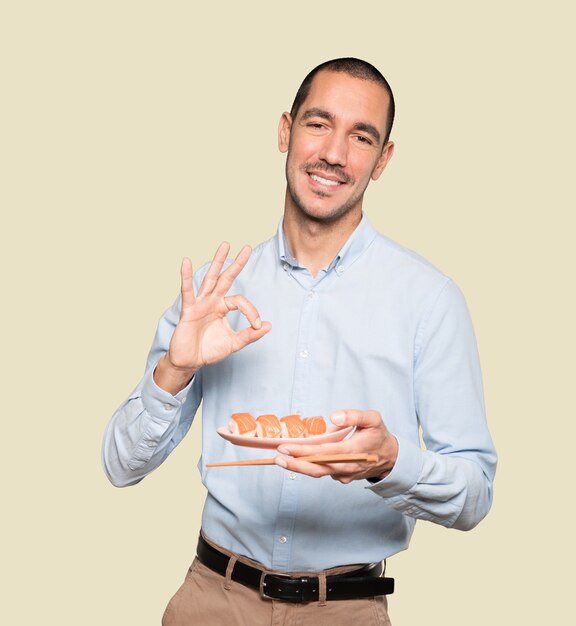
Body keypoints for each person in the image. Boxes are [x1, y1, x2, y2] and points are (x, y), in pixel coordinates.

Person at [102, 58, 497, 625]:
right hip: (212, 600)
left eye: (360, 136)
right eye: (319, 124)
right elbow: (119, 466)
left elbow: (474, 495)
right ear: (286, 131)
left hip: (346, 609)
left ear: (382, 159)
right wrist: (175, 370)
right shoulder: (219, 292)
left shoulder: (429, 300)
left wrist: (392, 463)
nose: (334, 153)